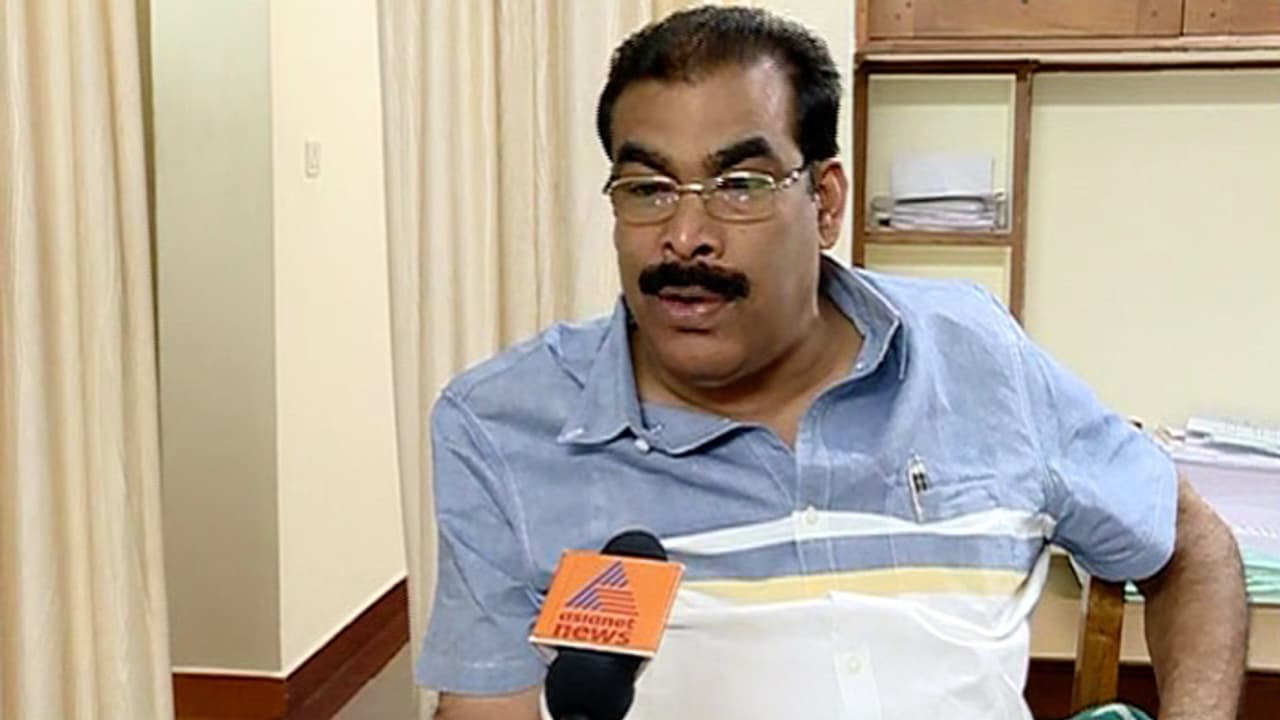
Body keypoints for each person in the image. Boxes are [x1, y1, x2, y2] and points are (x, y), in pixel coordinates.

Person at [417, 7, 1247, 720]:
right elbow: (487, 704)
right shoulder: (505, 426)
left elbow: (1191, 548)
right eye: (648, 189)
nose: (684, 237)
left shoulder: (975, 356)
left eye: (739, 185)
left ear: (825, 202)